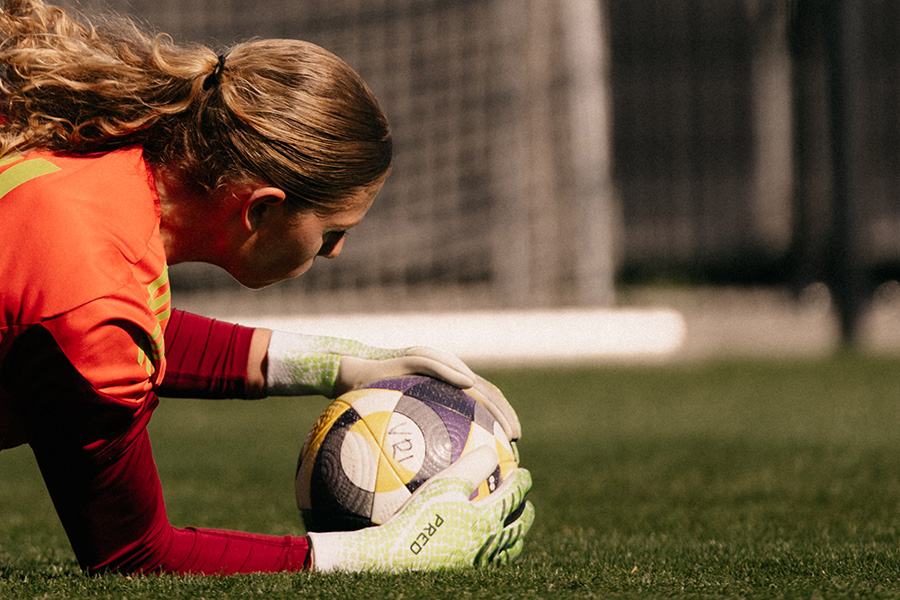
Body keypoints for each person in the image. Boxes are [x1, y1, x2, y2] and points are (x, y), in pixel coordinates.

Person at [0, 0, 534, 575]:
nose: (335, 252)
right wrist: (376, 553)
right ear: (261, 210)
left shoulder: (97, 155)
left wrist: (334, 364)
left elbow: (79, 339)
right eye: (332, 232)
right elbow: (133, 553)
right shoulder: (90, 299)